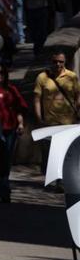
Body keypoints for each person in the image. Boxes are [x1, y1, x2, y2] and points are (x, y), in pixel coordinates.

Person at [0, 63, 27, 203]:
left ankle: (3, 187)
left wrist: (20, 123)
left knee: (6, 158)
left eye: (1, 72)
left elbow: (18, 108)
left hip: (9, 129)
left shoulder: (11, 90)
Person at [34, 51, 80, 180]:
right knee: (51, 154)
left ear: (65, 62)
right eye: (55, 62)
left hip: (68, 122)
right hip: (50, 122)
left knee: (65, 153)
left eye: (61, 62)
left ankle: (61, 180)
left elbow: (77, 95)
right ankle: (56, 177)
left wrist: (77, 111)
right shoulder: (42, 77)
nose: (58, 64)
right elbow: (37, 99)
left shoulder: (72, 76)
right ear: (51, 61)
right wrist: (39, 118)